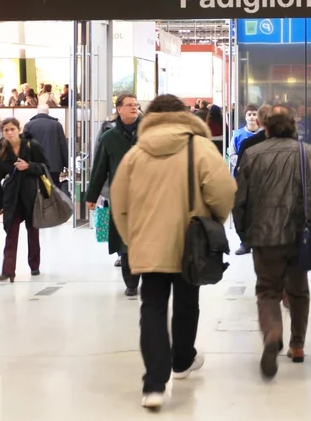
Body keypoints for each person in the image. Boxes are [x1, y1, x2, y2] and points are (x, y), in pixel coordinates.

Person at [110, 94, 237, 411]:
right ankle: (182, 362)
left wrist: (133, 238)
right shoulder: (200, 148)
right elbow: (223, 190)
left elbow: (119, 202)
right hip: (190, 241)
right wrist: (213, 222)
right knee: (187, 300)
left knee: (151, 307)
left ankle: (153, 385)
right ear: (184, 116)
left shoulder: (136, 153)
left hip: (147, 241)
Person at [234, 106, 311, 379]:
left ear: (266, 128)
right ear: (293, 126)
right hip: (299, 233)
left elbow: (239, 200)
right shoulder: (306, 152)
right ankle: (297, 346)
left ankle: (273, 335)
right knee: (298, 291)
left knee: (267, 291)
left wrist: (244, 234)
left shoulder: (252, 154)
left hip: (264, 235)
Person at [85, 92, 142, 297]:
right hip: (122, 198)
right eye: (129, 105)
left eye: (136, 105)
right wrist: (92, 196)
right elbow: (100, 168)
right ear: (119, 109)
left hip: (148, 196)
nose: (134, 108)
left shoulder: (150, 133)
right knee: (125, 241)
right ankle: (131, 282)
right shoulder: (109, 137)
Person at [0, 118, 49, 282]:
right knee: (10, 234)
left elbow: (45, 167)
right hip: (12, 199)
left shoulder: (32, 146)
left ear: (18, 129)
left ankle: (35, 266)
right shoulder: (1, 152)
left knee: (33, 233)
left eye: (12, 129)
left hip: (31, 196)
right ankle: (8, 270)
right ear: (2, 133)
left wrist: (29, 166)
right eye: (6, 130)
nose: (9, 133)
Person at [233, 104, 271, 256]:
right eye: (249, 114)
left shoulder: (291, 145)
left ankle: (248, 240)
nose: (252, 117)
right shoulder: (243, 139)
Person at [24, 104, 69, 188]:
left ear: (37, 112)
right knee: (54, 191)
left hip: (35, 165)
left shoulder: (29, 125)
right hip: (54, 166)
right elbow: (63, 145)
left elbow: (25, 147)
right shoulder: (56, 125)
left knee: (36, 190)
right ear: (48, 112)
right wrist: (67, 164)